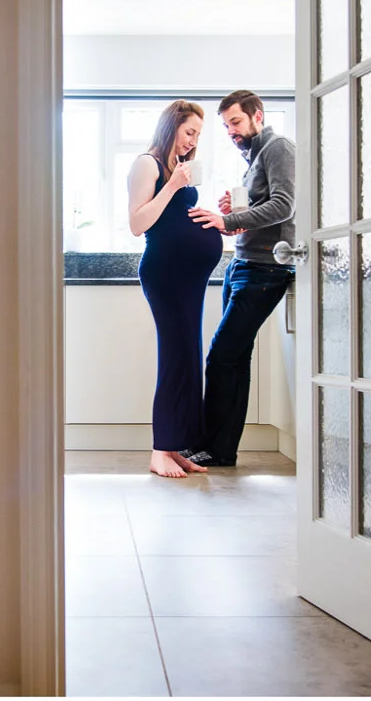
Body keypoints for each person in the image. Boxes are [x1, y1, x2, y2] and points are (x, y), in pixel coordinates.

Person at [186, 90, 297, 468]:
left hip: (266, 269)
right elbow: (266, 208)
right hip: (244, 263)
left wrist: (227, 221)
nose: (231, 131)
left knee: (222, 357)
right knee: (235, 358)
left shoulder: (278, 147)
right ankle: (221, 449)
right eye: (226, 126)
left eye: (235, 122)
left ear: (257, 116)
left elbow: (285, 204)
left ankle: (214, 449)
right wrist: (236, 211)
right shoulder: (253, 157)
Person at [128, 100, 223, 479]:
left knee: (188, 357)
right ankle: (158, 450)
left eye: (198, 135)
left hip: (189, 275)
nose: (193, 140)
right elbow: (139, 223)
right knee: (174, 357)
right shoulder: (146, 164)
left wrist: (216, 216)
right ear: (171, 127)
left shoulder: (176, 169)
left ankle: (176, 446)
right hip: (165, 274)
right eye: (189, 132)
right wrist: (172, 185)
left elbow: (176, 217)